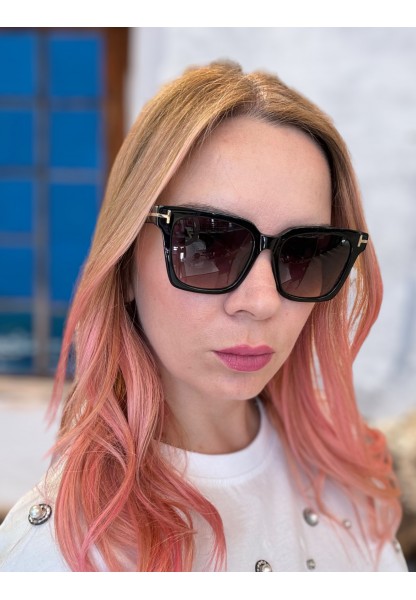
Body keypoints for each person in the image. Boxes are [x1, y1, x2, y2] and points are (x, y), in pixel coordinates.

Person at [0, 60, 408, 572]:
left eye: (306, 253)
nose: (261, 302)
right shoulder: (55, 554)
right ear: (125, 264)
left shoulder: (349, 484)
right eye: (208, 244)